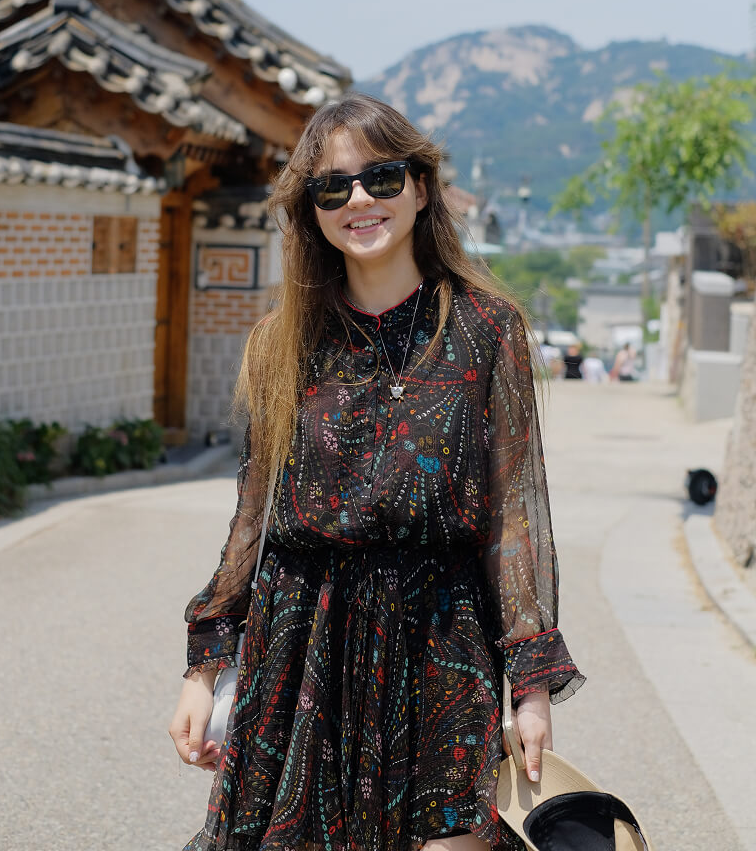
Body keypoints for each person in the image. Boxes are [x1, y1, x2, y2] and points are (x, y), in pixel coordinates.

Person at [169, 94, 584, 851]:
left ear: (421, 189)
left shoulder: (488, 331)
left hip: (443, 639)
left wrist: (530, 687)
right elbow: (253, 519)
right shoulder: (279, 343)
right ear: (312, 211)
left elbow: (513, 519)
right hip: (303, 643)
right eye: (333, 188)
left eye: (381, 178)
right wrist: (204, 672)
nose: (359, 200)